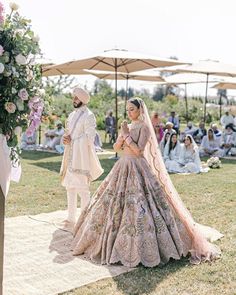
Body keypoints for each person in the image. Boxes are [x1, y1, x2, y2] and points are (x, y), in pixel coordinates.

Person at [71, 97, 222, 267]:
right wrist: (122, 136)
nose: (129, 112)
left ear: (140, 110)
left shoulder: (144, 127)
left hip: (138, 167)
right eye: (127, 109)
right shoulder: (128, 126)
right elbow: (115, 148)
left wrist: (126, 135)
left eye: (132, 109)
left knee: (143, 203)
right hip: (122, 165)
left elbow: (138, 150)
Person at [60, 87, 104, 226]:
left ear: (83, 99)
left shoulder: (89, 115)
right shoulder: (72, 115)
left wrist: (73, 141)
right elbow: (69, 133)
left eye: (76, 98)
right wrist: (65, 139)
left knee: (82, 189)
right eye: (73, 97)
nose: (74, 100)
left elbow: (90, 136)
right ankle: (71, 217)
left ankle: (84, 219)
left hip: (81, 157)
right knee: (70, 187)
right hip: (70, 155)